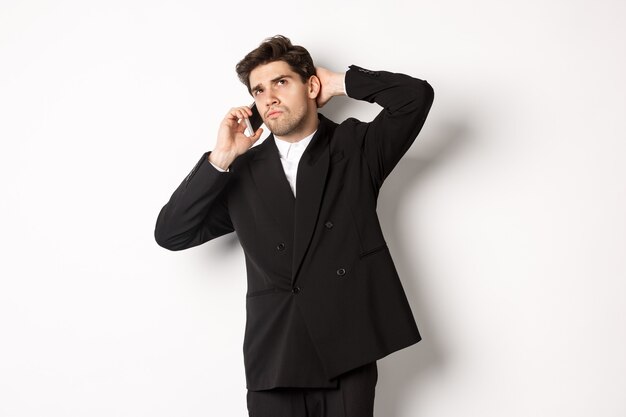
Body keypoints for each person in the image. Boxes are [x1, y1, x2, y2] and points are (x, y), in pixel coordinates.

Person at [155, 35, 434, 417]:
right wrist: (220, 159)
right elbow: (171, 233)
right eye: (258, 90)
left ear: (310, 85)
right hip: (275, 358)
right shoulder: (241, 172)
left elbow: (415, 97)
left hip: (347, 353)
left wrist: (339, 83)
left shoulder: (356, 148)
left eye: (281, 82)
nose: (268, 97)